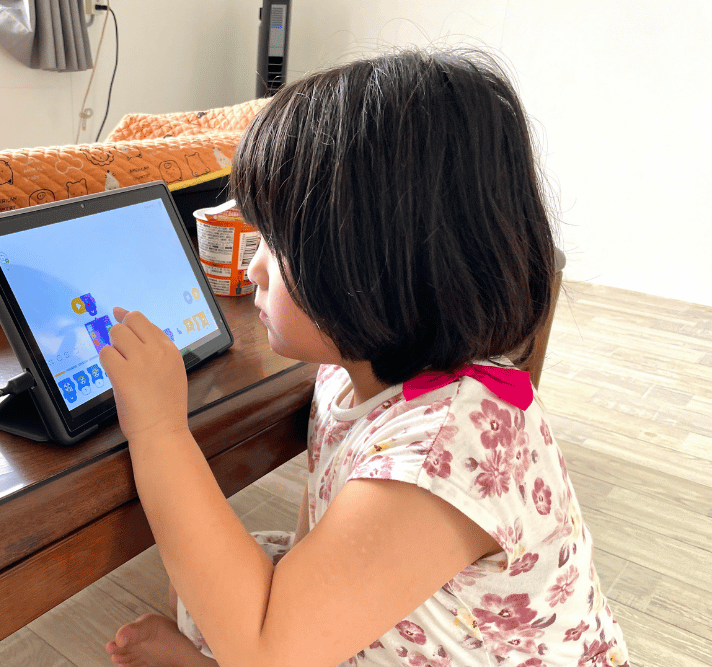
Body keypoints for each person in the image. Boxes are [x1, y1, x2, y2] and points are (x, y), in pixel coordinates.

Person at [98, 48, 630, 667]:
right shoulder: (350, 372)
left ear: (373, 265)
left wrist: (158, 428)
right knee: (199, 588)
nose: (254, 268)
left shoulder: (445, 451)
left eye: (277, 244)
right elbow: (314, 532)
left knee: (230, 610)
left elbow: (268, 653)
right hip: (414, 624)